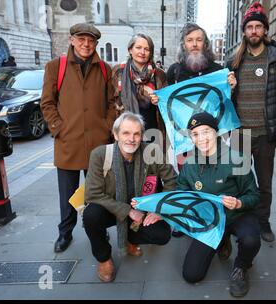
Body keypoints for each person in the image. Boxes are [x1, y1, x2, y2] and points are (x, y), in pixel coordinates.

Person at [227, 2, 276, 243]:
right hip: (240, 135)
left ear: (265, 30)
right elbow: (222, 97)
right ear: (245, 31)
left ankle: (263, 221)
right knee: (239, 181)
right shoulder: (234, 62)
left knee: (264, 184)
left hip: (265, 136)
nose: (254, 31)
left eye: (259, 26)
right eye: (250, 27)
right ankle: (240, 222)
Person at [41, 23, 117, 253]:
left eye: (91, 41)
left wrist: (106, 127)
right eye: (81, 39)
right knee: (68, 194)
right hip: (68, 142)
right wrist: (59, 128)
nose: (86, 44)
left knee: (96, 193)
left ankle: (98, 228)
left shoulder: (104, 69)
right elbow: (47, 102)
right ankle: (65, 233)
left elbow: (112, 103)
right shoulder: (56, 67)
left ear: (95, 44)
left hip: (97, 143)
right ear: (72, 40)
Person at [161, 23, 237, 237]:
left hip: (212, 138)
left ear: (205, 43)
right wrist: (160, 98)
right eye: (189, 40)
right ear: (184, 44)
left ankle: (213, 218)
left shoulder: (218, 71)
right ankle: (185, 219)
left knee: (212, 177)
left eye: (199, 39)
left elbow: (225, 103)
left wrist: (230, 85)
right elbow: (170, 104)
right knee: (185, 178)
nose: (194, 44)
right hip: (185, 138)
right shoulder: (174, 71)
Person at [83, 112, 176, 282]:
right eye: (126, 133)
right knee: (91, 216)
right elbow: (92, 193)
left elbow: (172, 181)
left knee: (162, 235)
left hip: (143, 208)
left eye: (136, 134)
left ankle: (130, 238)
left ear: (142, 136)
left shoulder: (151, 151)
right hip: (112, 208)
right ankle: (104, 258)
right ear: (116, 134)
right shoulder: (100, 154)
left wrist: (159, 209)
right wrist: (128, 211)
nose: (131, 139)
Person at [176, 112, 260, 298]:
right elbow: (181, 194)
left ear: (216, 133)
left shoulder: (237, 159)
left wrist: (239, 203)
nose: (201, 138)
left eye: (206, 132)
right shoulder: (189, 164)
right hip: (210, 221)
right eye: (195, 134)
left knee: (251, 240)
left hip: (237, 215)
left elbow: (254, 195)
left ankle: (241, 267)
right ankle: (221, 240)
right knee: (191, 274)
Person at [112, 34, 167, 133]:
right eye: (138, 48)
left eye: (147, 49)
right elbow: (111, 100)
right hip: (126, 130)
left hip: (153, 129)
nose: (142, 52)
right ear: (130, 50)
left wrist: (160, 100)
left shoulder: (160, 74)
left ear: (151, 53)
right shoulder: (118, 71)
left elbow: (167, 104)